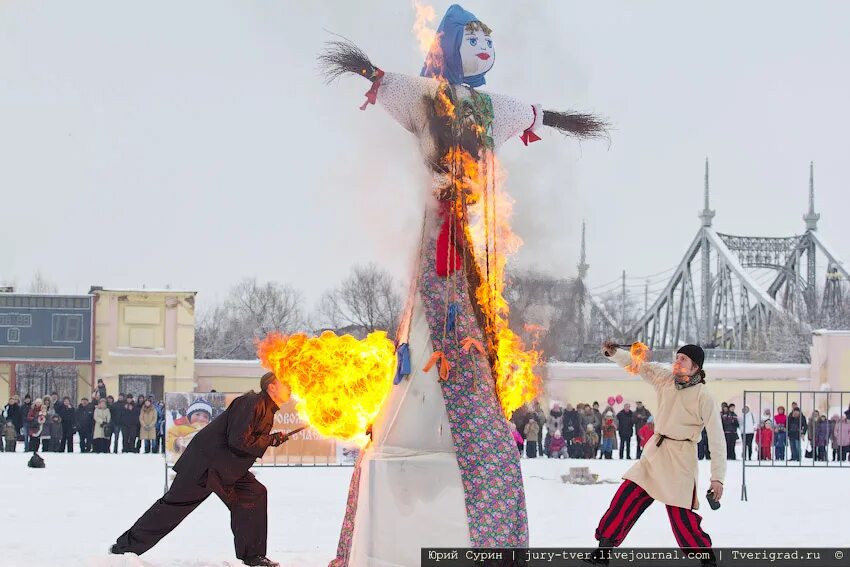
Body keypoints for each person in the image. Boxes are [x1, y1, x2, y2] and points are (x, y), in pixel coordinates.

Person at [111, 372, 293, 567]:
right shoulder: (252, 402)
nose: (290, 387)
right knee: (172, 507)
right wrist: (270, 439)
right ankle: (123, 549)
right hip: (204, 465)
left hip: (226, 469)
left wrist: (271, 439)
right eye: (285, 383)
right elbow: (238, 440)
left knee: (254, 494)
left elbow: (248, 441)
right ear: (271, 386)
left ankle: (253, 555)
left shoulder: (266, 409)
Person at [587, 342, 724, 567]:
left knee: (681, 520)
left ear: (695, 368)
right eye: (677, 357)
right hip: (655, 453)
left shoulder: (703, 396)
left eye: (684, 359)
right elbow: (638, 366)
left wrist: (717, 477)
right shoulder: (665, 378)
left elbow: (717, 439)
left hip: (680, 460)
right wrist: (614, 354)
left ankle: (706, 559)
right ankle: (603, 550)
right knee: (625, 499)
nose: (677, 362)